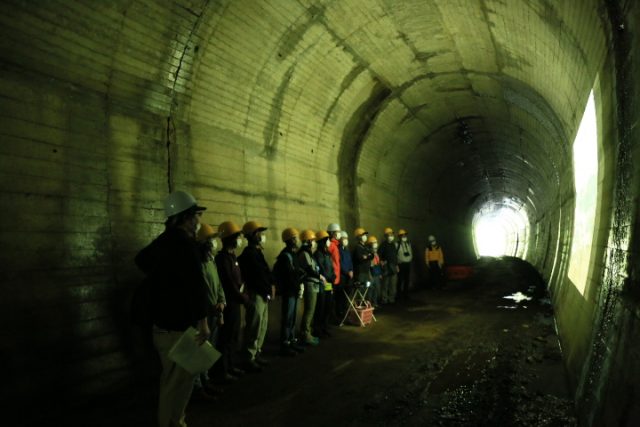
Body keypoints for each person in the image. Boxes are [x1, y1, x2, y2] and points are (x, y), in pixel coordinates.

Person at [134, 190, 209, 427]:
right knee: (177, 381)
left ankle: (177, 421)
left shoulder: (164, 241)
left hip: (163, 326)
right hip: (179, 328)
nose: (199, 221)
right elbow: (197, 287)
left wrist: (163, 281)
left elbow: (141, 260)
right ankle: (171, 422)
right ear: (185, 217)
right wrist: (203, 322)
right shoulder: (186, 245)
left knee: (178, 379)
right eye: (196, 215)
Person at [192, 223, 226, 402]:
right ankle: (197, 387)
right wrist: (212, 306)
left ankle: (206, 380)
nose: (215, 243)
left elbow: (218, 284)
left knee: (208, 350)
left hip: (214, 311)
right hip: (204, 313)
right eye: (212, 239)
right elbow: (201, 289)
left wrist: (222, 301)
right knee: (199, 350)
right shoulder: (197, 263)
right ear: (204, 242)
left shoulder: (211, 260)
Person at [213, 221, 248, 383]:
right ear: (229, 238)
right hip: (229, 304)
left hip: (236, 302)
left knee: (234, 336)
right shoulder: (222, 259)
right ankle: (222, 370)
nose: (239, 239)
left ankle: (231, 365)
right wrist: (244, 298)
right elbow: (228, 283)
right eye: (237, 237)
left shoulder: (232, 256)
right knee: (226, 338)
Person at [237, 221, 273, 373]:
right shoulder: (248, 254)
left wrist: (270, 288)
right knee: (254, 326)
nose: (261, 235)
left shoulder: (257, 252)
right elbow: (256, 277)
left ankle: (256, 353)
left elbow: (265, 273)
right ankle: (248, 358)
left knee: (262, 326)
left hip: (263, 294)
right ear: (252, 235)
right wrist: (267, 288)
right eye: (258, 232)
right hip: (255, 294)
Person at [274, 227, 306, 356]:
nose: (296, 240)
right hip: (289, 292)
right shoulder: (285, 256)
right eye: (294, 238)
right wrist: (298, 284)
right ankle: (285, 345)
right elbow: (289, 275)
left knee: (292, 318)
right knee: (287, 318)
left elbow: (297, 272)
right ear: (288, 240)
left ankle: (292, 342)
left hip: (294, 291)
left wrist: (300, 284)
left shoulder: (293, 254)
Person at [297, 230, 323, 346]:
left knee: (311, 310)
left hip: (313, 283)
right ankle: (305, 334)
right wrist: (319, 276)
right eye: (312, 241)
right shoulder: (304, 253)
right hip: (310, 284)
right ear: (308, 241)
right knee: (309, 310)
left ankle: (308, 333)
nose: (314, 243)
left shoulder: (308, 253)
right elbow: (309, 269)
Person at [313, 230, 335, 337]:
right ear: (322, 241)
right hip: (323, 283)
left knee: (327, 305)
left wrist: (333, 276)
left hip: (328, 283)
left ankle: (324, 327)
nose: (329, 242)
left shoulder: (327, 253)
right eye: (327, 240)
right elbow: (321, 269)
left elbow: (330, 267)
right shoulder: (318, 254)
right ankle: (318, 329)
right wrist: (329, 277)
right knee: (321, 306)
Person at [379, 227, 398, 305]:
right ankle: (384, 300)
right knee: (385, 284)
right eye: (389, 235)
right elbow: (379, 255)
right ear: (386, 236)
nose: (390, 236)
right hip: (386, 267)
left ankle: (391, 299)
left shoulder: (393, 245)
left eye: (391, 235)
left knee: (393, 284)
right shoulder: (383, 245)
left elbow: (395, 256)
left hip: (393, 267)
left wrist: (397, 265)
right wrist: (381, 262)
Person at [327, 223, 342, 319]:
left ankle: (333, 317)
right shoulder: (330, 245)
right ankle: (330, 318)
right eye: (337, 232)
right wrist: (332, 276)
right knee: (329, 299)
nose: (339, 234)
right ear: (332, 233)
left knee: (334, 299)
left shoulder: (336, 245)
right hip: (331, 278)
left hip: (336, 278)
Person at [396, 229, 413, 300]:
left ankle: (406, 294)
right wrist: (397, 264)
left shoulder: (408, 243)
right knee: (400, 280)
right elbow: (395, 255)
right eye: (402, 235)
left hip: (407, 264)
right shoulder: (397, 244)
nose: (404, 237)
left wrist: (410, 259)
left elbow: (411, 252)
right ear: (399, 237)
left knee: (407, 280)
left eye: (405, 235)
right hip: (401, 264)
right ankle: (399, 295)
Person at [367, 235, 382, 307]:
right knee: (370, 289)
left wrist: (380, 274)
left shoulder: (376, 253)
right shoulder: (369, 254)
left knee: (376, 289)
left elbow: (377, 264)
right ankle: (369, 304)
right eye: (374, 243)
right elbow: (369, 265)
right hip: (370, 274)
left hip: (376, 273)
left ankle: (375, 302)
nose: (376, 244)